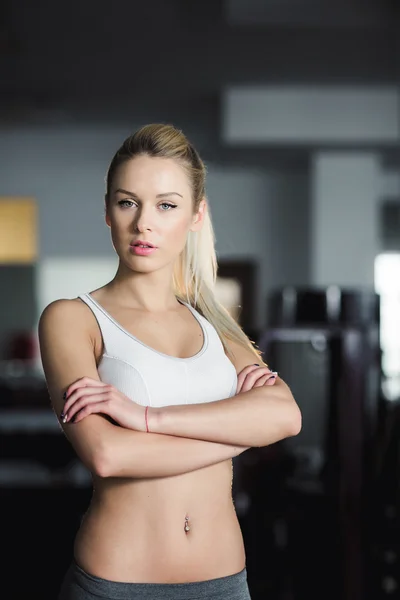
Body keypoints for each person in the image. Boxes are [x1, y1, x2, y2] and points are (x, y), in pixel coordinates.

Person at [38, 123, 302, 600]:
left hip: (224, 584)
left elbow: (285, 415)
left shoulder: (215, 324)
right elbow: (108, 454)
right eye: (127, 202)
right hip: (116, 584)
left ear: (196, 214)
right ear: (107, 211)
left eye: (166, 204)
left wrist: (145, 418)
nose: (144, 224)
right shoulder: (71, 318)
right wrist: (240, 436)